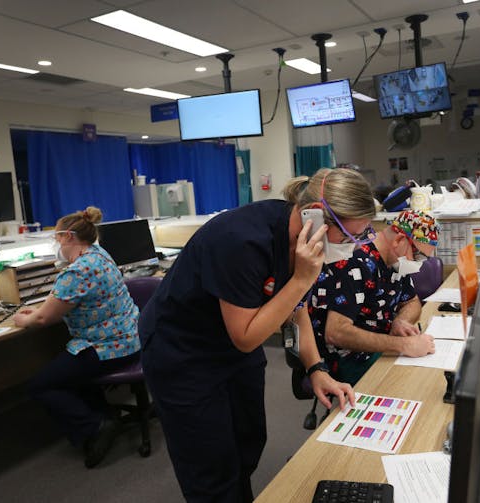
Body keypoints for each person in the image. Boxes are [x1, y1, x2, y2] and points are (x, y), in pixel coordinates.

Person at [138, 168, 376, 502]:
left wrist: (316, 368)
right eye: (349, 238)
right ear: (315, 216)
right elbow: (247, 337)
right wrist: (301, 280)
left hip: (234, 345)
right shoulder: (241, 240)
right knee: (211, 468)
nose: (353, 248)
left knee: (249, 441)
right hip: (183, 352)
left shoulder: (303, 242)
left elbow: (298, 309)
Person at [12, 206, 140, 468]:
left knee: (40, 385)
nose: (56, 243)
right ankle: (105, 415)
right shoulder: (100, 255)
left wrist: (24, 318)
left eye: (57, 237)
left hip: (107, 348)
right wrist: (42, 309)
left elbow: (43, 319)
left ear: (69, 236)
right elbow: (69, 303)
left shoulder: (77, 272)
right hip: (130, 339)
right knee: (69, 370)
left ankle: (96, 426)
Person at [308, 210, 439, 385]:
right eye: (418, 256)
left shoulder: (395, 260)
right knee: (412, 383)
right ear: (399, 240)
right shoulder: (354, 260)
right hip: (346, 357)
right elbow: (336, 333)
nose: (418, 264)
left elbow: (412, 301)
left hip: (380, 345)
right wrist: (403, 345)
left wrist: (401, 321)